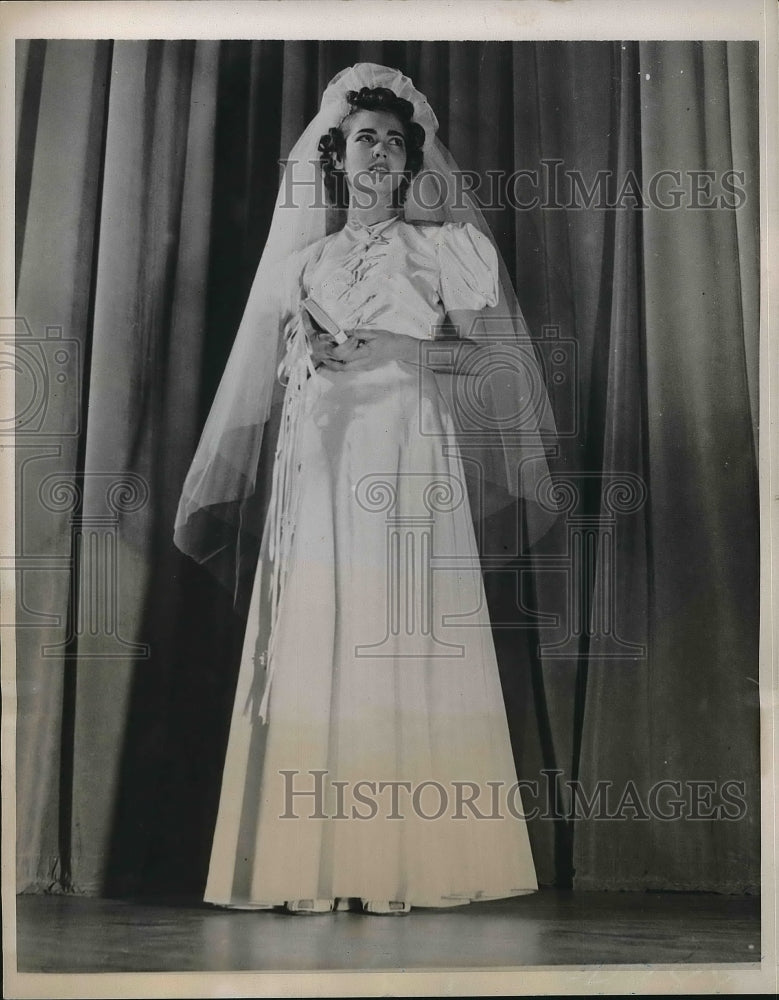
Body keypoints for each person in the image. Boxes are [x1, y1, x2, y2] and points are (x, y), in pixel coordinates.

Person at [174, 64, 558, 915]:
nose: (379, 153)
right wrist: (303, 356)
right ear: (336, 161)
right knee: (318, 625)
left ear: (410, 160)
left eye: (393, 141)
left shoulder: (445, 247)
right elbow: (283, 371)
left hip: (408, 462)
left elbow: (493, 367)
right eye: (363, 140)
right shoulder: (305, 261)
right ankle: (303, 868)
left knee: (395, 630)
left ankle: (398, 866)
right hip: (319, 464)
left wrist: (395, 352)